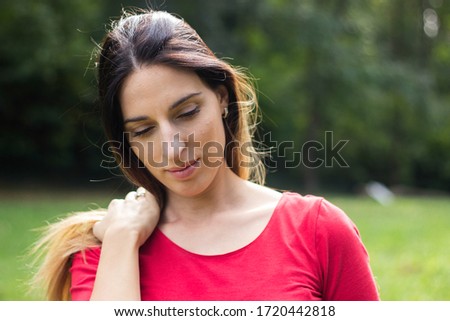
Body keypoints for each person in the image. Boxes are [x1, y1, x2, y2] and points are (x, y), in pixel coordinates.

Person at [30, 9, 379, 301]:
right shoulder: (102, 252)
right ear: (126, 142)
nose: (173, 148)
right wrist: (122, 240)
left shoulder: (318, 232)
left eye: (186, 113)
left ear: (222, 98)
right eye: (143, 130)